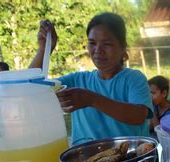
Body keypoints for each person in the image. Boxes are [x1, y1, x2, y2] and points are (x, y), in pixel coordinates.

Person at [30, 13, 153, 145]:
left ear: (122, 47)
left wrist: (91, 99)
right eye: (92, 43)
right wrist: (43, 50)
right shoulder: (77, 80)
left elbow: (139, 116)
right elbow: (29, 88)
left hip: (130, 161)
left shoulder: (133, 79)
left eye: (107, 44)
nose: (98, 50)